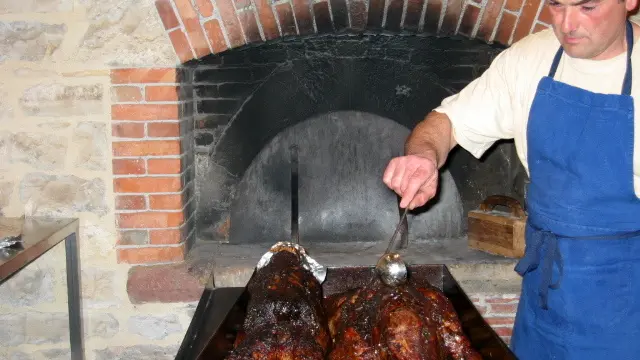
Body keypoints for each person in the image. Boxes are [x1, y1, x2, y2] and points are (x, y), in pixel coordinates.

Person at [383, 1, 640, 359]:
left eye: (587, 6)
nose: (567, 24)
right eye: (556, 4)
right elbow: (446, 122)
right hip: (542, 295)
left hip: (625, 307)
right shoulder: (531, 57)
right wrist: (424, 154)